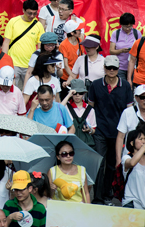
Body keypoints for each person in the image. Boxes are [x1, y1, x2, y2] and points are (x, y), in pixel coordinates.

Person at [89, 55, 133, 205]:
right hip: (100, 130)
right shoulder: (95, 85)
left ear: (118, 68)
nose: (112, 70)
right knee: (99, 163)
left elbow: (129, 109)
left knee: (113, 164)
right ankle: (98, 196)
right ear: (105, 68)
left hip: (118, 132)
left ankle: (108, 193)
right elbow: (91, 107)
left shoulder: (126, 85)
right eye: (109, 67)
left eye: (114, 68)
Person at [2, 0, 44, 90]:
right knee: (10, 90)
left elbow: (40, 46)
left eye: (34, 13)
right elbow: (6, 42)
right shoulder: (13, 22)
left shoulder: (38, 25)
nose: (32, 16)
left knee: (29, 91)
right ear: (23, 10)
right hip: (13, 63)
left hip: (30, 65)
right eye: (29, 13)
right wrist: (4, 61)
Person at [62, 79, 96, 146]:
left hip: (85, 144)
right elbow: (58, 110)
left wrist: (89, 130)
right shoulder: (65, 107)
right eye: (74, 93)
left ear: (84, 93)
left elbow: (94, 129)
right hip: (69, 143)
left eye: (80, 93)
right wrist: (68, 96)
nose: (77, 95)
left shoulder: (90, 109)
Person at [109, 13, 140, 80]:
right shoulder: (116, 33)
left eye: (130, 26)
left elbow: (141, 49)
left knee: (132, 87)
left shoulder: (137, 33)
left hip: (134, 67)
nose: (128, 28)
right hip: (120, 67)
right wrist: (121, 50)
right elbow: (111, 51)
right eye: (125, 26)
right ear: (121, 24)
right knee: (121, 87)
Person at [121, 125, 145, 209]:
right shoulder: (126, 158)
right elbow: (132, 163)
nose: (143, 141)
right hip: (131, 203)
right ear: (131, 142)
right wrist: (143, 148)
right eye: (140, 139)